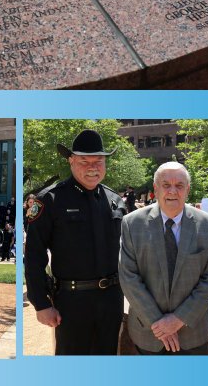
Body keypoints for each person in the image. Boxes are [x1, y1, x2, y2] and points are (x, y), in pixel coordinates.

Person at [25, 129, 128, 354]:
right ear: (71, 161)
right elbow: (34, 255)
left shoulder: (115, 200)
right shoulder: (50, 200)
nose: (93, 167)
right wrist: (41, 303)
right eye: (84, 161)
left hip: (111, 300)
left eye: (98, 161)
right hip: (72, 302)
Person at [119, 162, 208, 354]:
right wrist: (159, 323)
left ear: (188, 190)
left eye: (179, 185)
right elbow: (129, 278)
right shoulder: (132, 224)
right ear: (156, 189)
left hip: (193, 335)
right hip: (148, 334)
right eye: (166, 185)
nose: (172, 191)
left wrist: (178, 319)